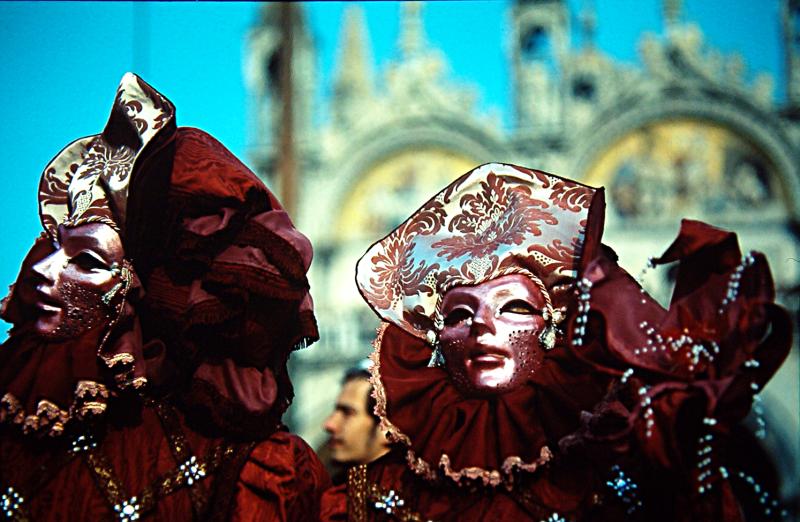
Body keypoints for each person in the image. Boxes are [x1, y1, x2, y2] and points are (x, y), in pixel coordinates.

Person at [321, 163, 791, 521]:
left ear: (552, 328)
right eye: (460, 314)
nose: (484, 327)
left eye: (515, 307)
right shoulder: (372, 496)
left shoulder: (614, 472)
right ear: (435, 340)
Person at [0, 73, 329, 520]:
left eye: (89, 262)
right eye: (50, 247)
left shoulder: (245, 468)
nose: (41, 272)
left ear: (146, 291)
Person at [323, 362, 391, 478]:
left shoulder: (413, 494)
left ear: (387, 428)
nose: (329, 425)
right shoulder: (332, 491)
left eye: (347, 413)